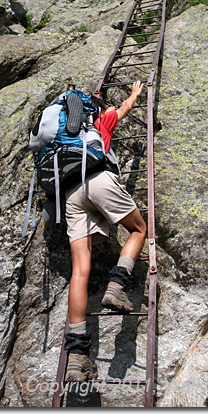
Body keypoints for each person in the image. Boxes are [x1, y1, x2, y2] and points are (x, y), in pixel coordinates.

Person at [63, 81, 147, 383]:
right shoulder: (102, 119)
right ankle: (117, 285)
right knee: (139, 229)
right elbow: (122, 109)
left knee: (79, 271)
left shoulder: (66, 135)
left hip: (70, 192)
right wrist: (134, 95)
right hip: (99, 179)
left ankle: (77, 354)